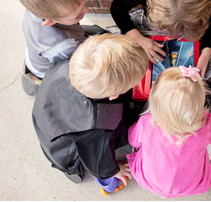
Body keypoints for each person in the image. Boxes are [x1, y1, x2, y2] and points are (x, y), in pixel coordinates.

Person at [31, 34, 146, 192]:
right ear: (114, 95)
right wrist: (113, 171)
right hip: (71, 153)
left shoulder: (70, 64)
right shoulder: (98, 126)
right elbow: (97, 160)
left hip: (51, 115)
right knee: (126, 130)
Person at [126, 66, 211, 198]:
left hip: (149, 182)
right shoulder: (205, 126)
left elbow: (133, 140)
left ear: (154, 103)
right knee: (207, 143)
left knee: (141, 144)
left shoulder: (146, 122)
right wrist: (206, 116)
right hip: (191, 185)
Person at [16, 0, 105, 95]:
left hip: (37, 51)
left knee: (98, 34)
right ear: (50, 21)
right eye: (78, 15)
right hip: (49, 69)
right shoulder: (63, 46)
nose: (86, 10)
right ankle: (38, 84)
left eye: (84, 4)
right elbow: (78, 67)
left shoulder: (37, 7)